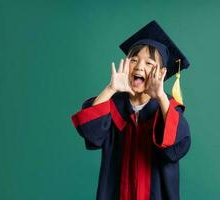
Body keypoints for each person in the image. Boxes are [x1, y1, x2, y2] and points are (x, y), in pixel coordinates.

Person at [71, 20, 191, 200]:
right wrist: (110, 89)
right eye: (133, 60)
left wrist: (160, 97)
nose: (139, 66)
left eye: (149, 63)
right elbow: (91, 133)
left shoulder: (167, 107)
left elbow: (177, 146)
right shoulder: (113, 105)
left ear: (162, 72)